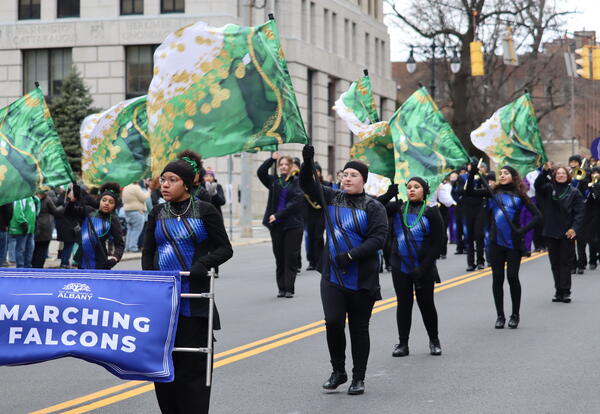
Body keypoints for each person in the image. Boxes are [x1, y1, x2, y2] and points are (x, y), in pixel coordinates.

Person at [142, 158, 233, 414]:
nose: (165, 185)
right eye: (163, 179)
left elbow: (225, 248)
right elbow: (148, 253)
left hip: (195, 303)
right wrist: (151, 281)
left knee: (192, 373)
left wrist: (204, 263)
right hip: (163, 303)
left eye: (172, 180)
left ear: (187, 184)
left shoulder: (205, 210)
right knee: (164, 370)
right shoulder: (156, 213)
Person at [300, 145, 388, 396]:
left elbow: (378, 239)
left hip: (362, 278)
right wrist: (308, 161)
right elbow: (307, 184)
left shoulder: (373, 207)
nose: (347, 178)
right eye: (344, 174)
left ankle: (358, 377)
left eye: (353, 175)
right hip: (332, 276)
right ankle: (338, 371)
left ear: (363, 181)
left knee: (359, 328)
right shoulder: (330, 197)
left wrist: (350, 256)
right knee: (334, 323)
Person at [467, 164, 541, 329]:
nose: (502, 175)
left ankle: (515, 314)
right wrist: (472, 174)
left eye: (506, 173)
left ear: (513, 176)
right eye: (500, 173)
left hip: (513, 244)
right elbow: (469, 192)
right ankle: (500, 316)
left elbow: (538, 216)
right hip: (496, 243)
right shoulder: (493, 192)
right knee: (497, 279)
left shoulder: (520, 195)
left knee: (513, 277)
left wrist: (522, 231)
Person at [381, 177, 444, 357]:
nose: (412, 190)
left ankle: (434, 340)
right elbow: (374, 207)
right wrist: (388, 194)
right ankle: (402, 343)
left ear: (424, 190)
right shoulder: (397, 208)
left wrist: (423, 267)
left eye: (416, 187)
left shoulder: (431, 212)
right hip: (400, 264)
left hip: (423, 266)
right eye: (408, 187)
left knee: (426, 304)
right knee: (404, 304)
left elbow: (438, 243)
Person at [535, 165, 584, 303]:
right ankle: (558, 290)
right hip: (551, 231)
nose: (561, 175)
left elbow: (580, 213)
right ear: (555, 175)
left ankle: (566, 291)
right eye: (558, 173)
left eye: (563, 173)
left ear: (567, 176)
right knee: (555, 263)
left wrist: (574, 228)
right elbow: (537, 185)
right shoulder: (548, 189)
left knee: (565, 263)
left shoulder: (574, 192)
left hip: (567, 232)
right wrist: (544, 171)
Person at [257, 152, 304, 298]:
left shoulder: (296, 182)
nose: (283, 167)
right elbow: (260, 172)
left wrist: (278, 215)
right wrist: (272, 159)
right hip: (276, 225)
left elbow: (296, 202)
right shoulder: (274, 181)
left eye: (286, 165)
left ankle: (289, 288)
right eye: (281, 165)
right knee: (279, 257)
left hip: (293, 225)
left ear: (291, 166)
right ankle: (281, 288)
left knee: (290, 257)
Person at [65, 182, 124, 269]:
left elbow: (120, 244)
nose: (107, 203)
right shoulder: (89, 211)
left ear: (114, 206)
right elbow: (69, 213)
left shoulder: (113, 220)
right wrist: (72, 201)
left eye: (111, 202)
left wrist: (115, 258)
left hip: (100, 263)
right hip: (82, 260)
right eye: (104, 200)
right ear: (99, 201)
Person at [456, 162, 487, 271]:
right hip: (467, 208)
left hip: (479, 208)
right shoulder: (462, 177)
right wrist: (465, 189)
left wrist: (480, 176)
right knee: (469, 236)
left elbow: (486, 189)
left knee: (479, 235)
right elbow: (457, 191)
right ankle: (470, 263)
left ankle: (480, 261)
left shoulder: (480, 176)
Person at [304, 162, 328, 271]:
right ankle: (311, 261)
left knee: (318, 238)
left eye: (317, 171)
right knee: (310, 238)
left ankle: (320, 260)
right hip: (309, 215)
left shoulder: (325, 184)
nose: (315, 174)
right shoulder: (307, 186)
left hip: (321, 214)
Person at [32, 191, 64, 268]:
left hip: (34, 225)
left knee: (34, 249)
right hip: (45, 226)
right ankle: (39, 267)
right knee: (43, 249)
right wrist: (63, 206)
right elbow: (55, 212)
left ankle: (33, 267)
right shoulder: (47, 199)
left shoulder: (32, 198)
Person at [8, 196, 39, 268]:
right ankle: (20, 267)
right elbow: (17, 212)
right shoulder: (21, 197)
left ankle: (27, 266)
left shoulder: (32, 197)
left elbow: (34, 210)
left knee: (30, 248)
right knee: (21, 249)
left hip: (30, 228)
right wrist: (23, 223)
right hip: (22, 228)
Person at [122, 181, 150, 253]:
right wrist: (148, 192)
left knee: (130, 230)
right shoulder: (136, 187)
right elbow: (143, 198)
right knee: (136, 230)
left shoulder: (126, 188)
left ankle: (127, 247)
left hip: (127, 211)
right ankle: (133, 247)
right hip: (137, 211)